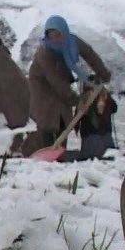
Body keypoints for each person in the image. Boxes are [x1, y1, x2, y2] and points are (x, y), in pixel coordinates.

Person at [28, 15, 112, 149]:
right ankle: (46, 153)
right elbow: (55, 81)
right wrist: (76, 101)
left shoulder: (71, 42)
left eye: (58, 35)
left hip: (62, 82)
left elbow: (89, 54)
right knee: (47, 120)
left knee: (63, 118)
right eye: (51, 36)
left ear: (64, 32)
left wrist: (102, 73)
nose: (55, 39)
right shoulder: (44, 53)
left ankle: (60, 150)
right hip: (42, 87)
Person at [59, 87, 118, 162]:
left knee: (110, 153)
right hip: (91, 132)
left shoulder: (106, 97)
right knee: (92, 155)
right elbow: (79, 114)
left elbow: (114, 108)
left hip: (105, 132)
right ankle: (63, 156)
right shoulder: (86, 96)